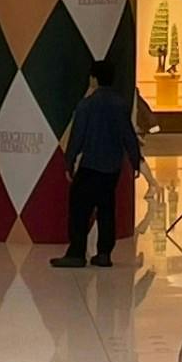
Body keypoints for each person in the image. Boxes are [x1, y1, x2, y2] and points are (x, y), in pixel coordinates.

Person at [58, 67, 140, 269]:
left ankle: (77, 253)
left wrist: (68, 162)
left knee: (79, 209)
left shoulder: (86, 105)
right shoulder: (120, 105)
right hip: (112, 166)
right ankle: (104, 253)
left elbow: (77, 137)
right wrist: (135, 160)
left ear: (93, 79)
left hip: (90, 164)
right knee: (106, 208)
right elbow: (128, 135)